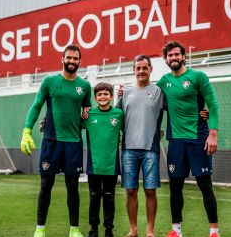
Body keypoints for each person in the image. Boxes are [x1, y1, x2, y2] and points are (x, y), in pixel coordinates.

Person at [20, 44, 92, 237]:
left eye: (75, 58)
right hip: (51, 142)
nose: (71, 61)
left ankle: (74, 229)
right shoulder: (49, 82)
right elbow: (36, 106)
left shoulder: (85, 87)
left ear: (80, 61)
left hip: (74, 143)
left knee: (72, 186)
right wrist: (27, 131)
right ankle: (40, 229)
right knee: (45, 185)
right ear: (62, 59)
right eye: (68, 57)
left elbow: (87, 116)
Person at [156, 41, 220, 237]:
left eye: (177, 54)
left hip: (198, 138)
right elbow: (150, 99)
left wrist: (213, 134)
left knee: (205, 185)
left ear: (184, 56)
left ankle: (214, 231)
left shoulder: (197, 76)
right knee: (175, 186)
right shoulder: (163, 81)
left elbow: (213, 104)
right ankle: (176, 230)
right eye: (170, 55)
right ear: (166, 59)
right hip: (175, 141)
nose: (173, 58)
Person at [115, 55, 164, 237]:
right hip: (128, 149)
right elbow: (114, 116)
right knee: (130, 190)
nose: (141, 71)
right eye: (138, 68)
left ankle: (150, 230)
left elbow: (177, 106)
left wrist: (202, 112)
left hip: (150, 149)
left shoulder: (158, 92)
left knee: (150, 190)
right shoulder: (126, 92)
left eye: (145, 68)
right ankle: (133, 229)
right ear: (134, 70)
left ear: (150, 69)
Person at [83, 82, 124, 237]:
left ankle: (109, 230)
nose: (103, 97)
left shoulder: (119, 114)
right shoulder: (88, 115)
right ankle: (93, 229)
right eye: (99, 94)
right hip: (94, 166)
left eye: (106, 94)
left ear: (111, 96)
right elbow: (73, 123)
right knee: (94, 199)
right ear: (95, 97)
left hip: (111, 165)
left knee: (109, 199)